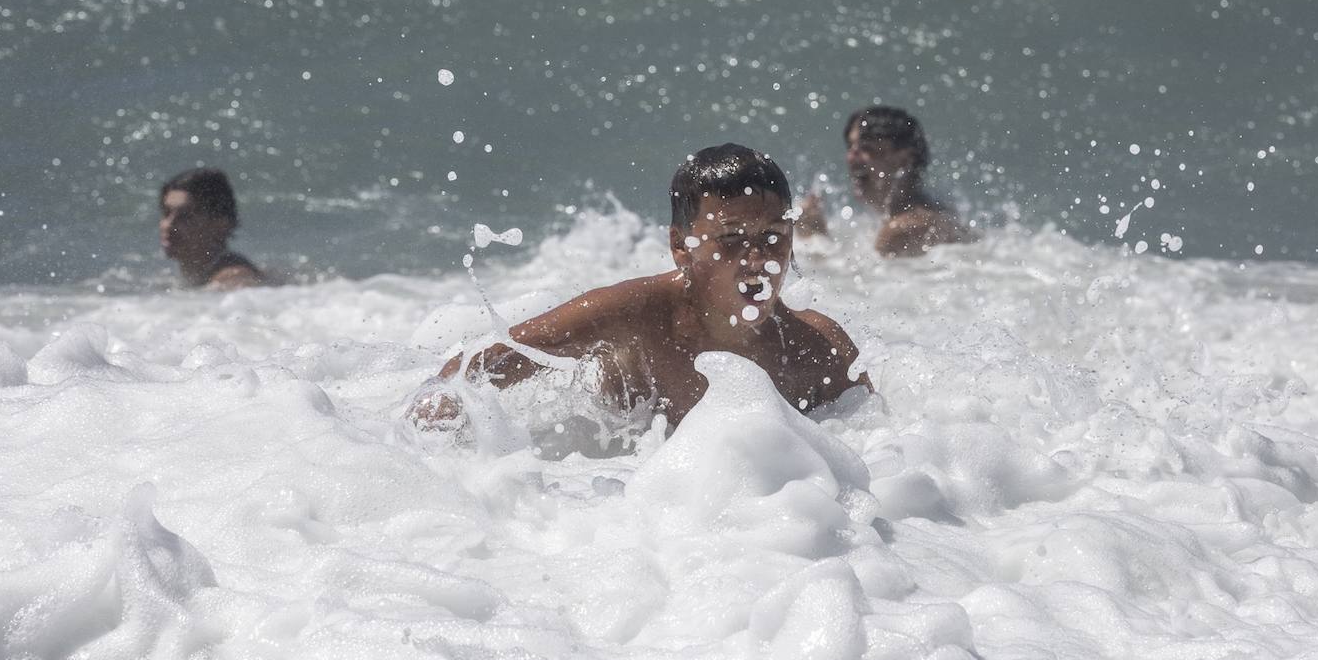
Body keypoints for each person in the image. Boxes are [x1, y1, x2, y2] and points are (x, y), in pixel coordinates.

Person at [408, 143, 872, 430]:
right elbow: (483, 364)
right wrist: (439, 414)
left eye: (773, 236)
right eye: (730, 238)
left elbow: (874, 452)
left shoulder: (820, 351)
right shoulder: (635, 314)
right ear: (681, 246)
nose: (756, 259)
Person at [796, 105, 972, 256]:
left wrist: (814, 238)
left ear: (904, 160)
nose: (851, 157)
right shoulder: (935, 213)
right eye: (850, 147)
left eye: (866, 148)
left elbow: (851, 288)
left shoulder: (899, 230)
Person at [159, 168, 273, 289]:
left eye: (185, 216)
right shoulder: (198, 276)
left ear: (221, 224)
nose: (168, 225)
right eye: (166, 213)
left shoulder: (234, 279)